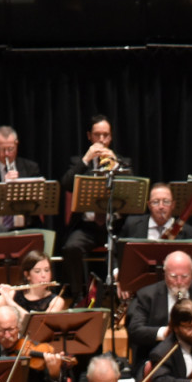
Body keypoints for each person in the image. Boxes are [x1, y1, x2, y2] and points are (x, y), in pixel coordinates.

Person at [58, 114, 134, 300]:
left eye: (105, 135)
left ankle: (121, 298)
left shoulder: (122, 161)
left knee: (127, 248)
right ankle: (79, 296)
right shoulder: (78, 162)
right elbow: (66, 184)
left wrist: (116, 164)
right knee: (71, 248)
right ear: (89, 136)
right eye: (97, 135)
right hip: (87, 227)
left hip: (115, 225)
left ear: (111, 137)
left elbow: (133, 189)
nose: (101, 140)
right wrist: (86, 159)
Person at [124, 250, 192, 369]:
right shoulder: (147, 295)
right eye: (173, 276)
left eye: (185, 276)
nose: (179, 282)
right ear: (165, 273)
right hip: (157, 359)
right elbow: (135, 330)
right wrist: (165, 333)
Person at [0, 125, 44, 230]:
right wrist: (3, 186)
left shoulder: (31, 168)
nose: (7, 154)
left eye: (11, 149)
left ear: (16, 144)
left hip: (26, 228)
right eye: (2, 149)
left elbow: (39, 204)